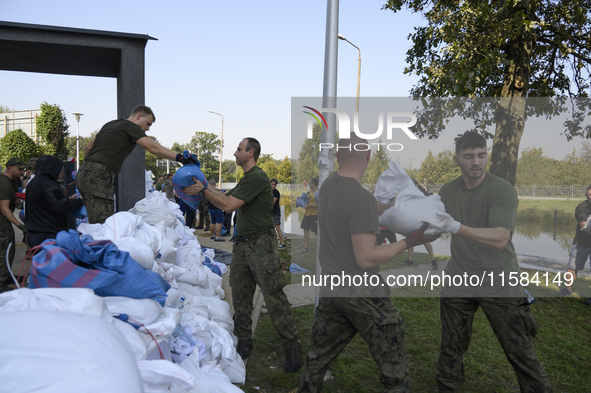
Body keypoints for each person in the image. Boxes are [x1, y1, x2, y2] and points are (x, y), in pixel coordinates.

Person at [297, 133, 436, 392]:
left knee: (318, 357)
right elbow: (367, 257)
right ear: (369, 157)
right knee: (394, 367)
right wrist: (411, 241)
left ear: (337, 157)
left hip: (331, 286)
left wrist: (388, 207)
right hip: (362, 291)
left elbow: (361, 206)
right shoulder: (359, 198)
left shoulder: (327, 187)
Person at [425, 131, 552, 392]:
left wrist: (457, 226)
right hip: (459, 280)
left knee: (520, 351)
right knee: (451, 346)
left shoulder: (501, 190)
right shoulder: (448, 190)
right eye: (469, 156)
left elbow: (499, 238)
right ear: (456, 159)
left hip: (500, 282)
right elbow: (431, 226)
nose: (476, 162)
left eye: (482, 155)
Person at [183, 137, 301, 373]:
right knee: (241, 295)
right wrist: (203, 182)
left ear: (251, 153)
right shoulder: (247, 179)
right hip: (242, 245)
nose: (234, 153)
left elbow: (227, 205)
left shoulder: (257, 177)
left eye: (239, 149)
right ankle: (244, 340)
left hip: (261, 245)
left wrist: (204, 189)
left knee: (273, 296)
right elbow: (223, 195)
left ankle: (291, 344)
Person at [75, 105, 196, 224]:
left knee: (94, 222)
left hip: (84, 173)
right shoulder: (132, 127)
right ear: (138, 116)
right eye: (148, 123)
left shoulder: (110, 124)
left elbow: (89, 147)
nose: (148, 129)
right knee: (104, 225)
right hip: (99, 176)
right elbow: (153, 148)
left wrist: (87, 170)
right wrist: (179, 157)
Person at [24, 155, 84, 248]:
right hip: (48, 235)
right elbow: (62, 208)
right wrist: (80, 201)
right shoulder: (50, 185)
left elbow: (44, 202)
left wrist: (68, 199)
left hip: (34, 234)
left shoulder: (33, 182)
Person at [558, 185, 591, 303]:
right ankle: (567, 289)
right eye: (590, 195)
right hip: (581, 242)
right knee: (573, 267)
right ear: (586, 195)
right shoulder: (582, 207)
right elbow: (584, 226)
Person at [0, 158, 26, 293]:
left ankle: (7, 276)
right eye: (19, 168)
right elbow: (4, 209)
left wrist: (21, 205)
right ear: (9, 168)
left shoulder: (14, 180)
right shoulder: (3, 182)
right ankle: (0, 282)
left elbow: (15, 197)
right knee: (3, 247)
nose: (22, 171)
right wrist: (19, 225)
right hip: (2, 217)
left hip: (4, 216)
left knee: (10, 246)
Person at [299, 178, 318, 253]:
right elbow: (306, 201)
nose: (308, 184)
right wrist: (301, 203)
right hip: (307, 214)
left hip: (314, 215)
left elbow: (318, 205)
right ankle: (306, 247)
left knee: (316, 232)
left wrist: (308, 205)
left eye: (309, 183)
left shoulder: (318, 192)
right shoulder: (309, 192)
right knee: (305, 230)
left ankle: (323, 247)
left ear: (313, 184)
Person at [270, 178, 286, 250]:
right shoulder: (268, 192)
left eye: (275, 184)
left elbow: (272, 202)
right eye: (272, 184)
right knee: (270, 229)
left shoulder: (276, 192)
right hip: (270, 213)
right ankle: (271, 244)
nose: (273, 186)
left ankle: (283, 244)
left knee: (278, 228)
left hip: (275, 212)